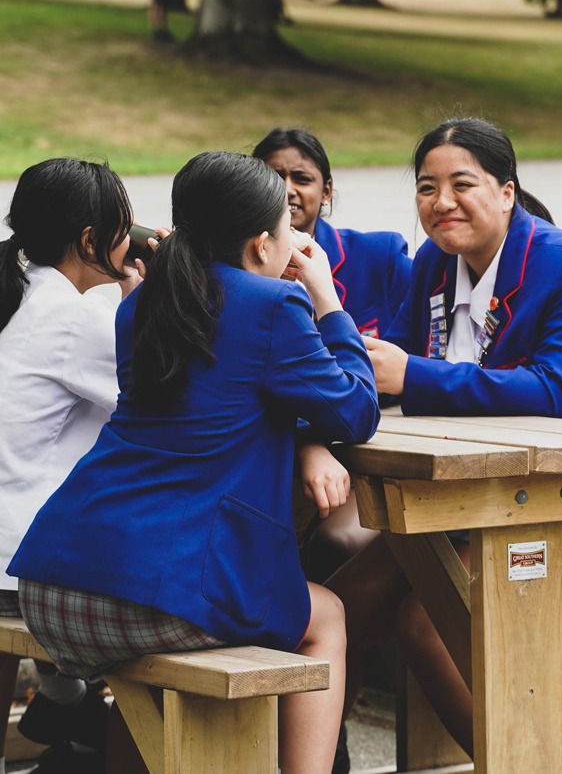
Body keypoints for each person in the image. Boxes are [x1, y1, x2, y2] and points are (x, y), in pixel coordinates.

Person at [8, 151, 380, 774]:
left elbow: (217, 402)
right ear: (263, 244)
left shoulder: (141, 304)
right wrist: (327, 300)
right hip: (149, 593)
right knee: (329, 617)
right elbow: (354, 410)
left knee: (154, 675)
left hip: (55, 587)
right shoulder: (271, 306)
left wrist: (302, 437)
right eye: (287, 229)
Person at [326, 116, 562, 757]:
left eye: (463, 184)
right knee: (336, 612)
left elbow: (554, 390)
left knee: (428, 622)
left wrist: (410, 373)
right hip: (459, 505)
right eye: (427, 188)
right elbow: (392, 368)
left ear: (507, 192)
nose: (442, 202)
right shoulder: (434, 262)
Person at [0, 158, 145, 774]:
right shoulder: (76, 319)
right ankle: (86, 723)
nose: (135, 235)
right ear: (90, 241)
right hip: (18, 567)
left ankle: (69, 707)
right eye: (125, 226)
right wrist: (142, 301)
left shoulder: (23, 291)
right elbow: (164, 405)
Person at [252, 128, 413, 583]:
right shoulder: (244, 271)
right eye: (272, 176)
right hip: (293, 453)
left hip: (381, 446)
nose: (287, 189)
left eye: (301, 177)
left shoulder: (378, 257)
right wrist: (308, 440)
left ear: (327, 190)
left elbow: (422, 349)